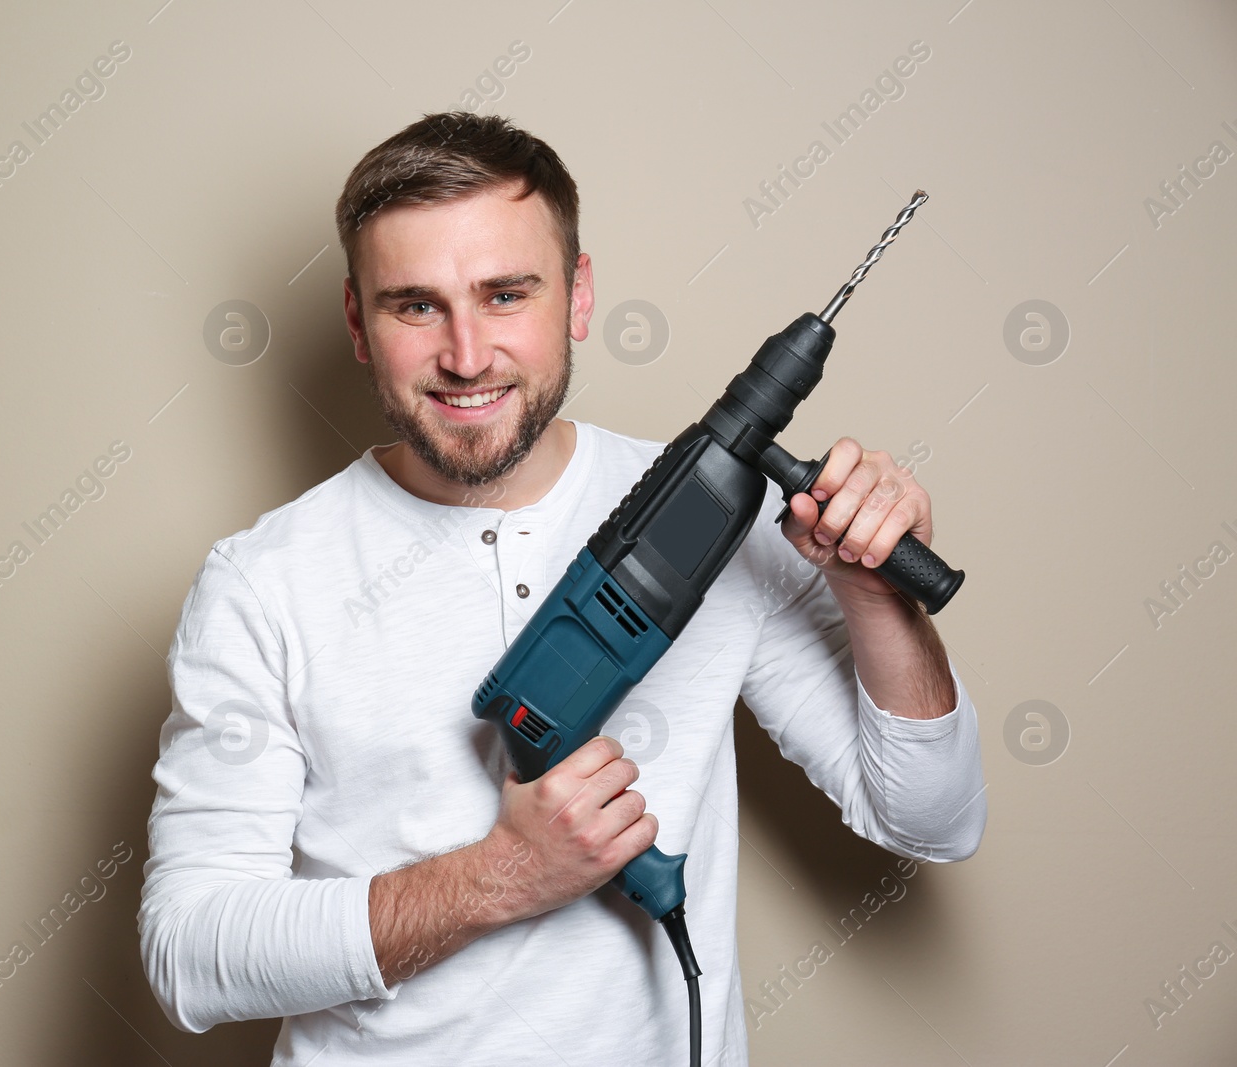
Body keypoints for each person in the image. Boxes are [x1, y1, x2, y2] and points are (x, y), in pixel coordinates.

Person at [138, 111, 986, 1066]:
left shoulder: (723, 530)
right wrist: (501, 876)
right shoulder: (263, 583)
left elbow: (933, 819)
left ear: (578, 296)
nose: (466, 354)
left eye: (506, 294)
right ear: (356, 323)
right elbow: (190, 955)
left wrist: (878, 597)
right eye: (416, 305)